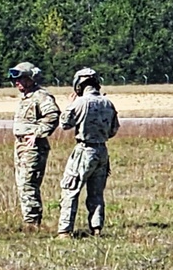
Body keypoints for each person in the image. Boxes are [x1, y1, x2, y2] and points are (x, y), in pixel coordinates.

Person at [57, 67, 119, 238]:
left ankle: (65, 230)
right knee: (96, 193)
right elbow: (114, 129)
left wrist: (70, 105)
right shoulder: (108, 103)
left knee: (70, 189)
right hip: (102, 151)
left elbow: (65, 124)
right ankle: (97, 228)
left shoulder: (80, 102)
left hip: (85, 150)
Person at [8, 61, 60, 230]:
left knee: (28, 183)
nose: (16, 82)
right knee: (21, 183)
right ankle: (29, 218)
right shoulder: (26, 97)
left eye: (21, 78)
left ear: (30, 79)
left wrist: (37, 134)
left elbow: (52, 115)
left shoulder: (41, 96)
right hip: (21, 145)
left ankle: (32, 222)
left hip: (33, 147)